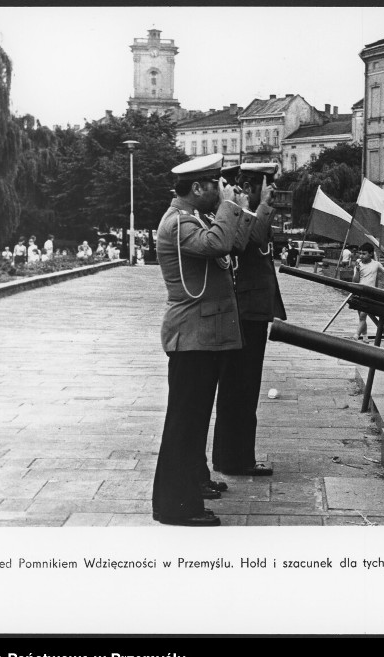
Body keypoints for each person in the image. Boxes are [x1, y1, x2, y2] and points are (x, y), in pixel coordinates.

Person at [151, 153, 253, 527]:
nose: (219, 191)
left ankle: (191, 483)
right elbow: (217, 245)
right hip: (191, 334)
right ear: (197, 188)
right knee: (184, 423)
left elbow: (233, 245)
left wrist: (238, 209)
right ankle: (175, 506)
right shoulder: (178, 223)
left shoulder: (194, 219)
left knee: (193, 421)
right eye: (215, 185)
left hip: (203, 335)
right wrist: (229, 207)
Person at [211, 163, 285, 477]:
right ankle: (235, 459)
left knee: (244, 387)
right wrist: (263, 204)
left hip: (251, 310)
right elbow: (253, 239)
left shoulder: (249, 213)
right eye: (267, 187)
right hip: (245, 311)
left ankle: (236, 456)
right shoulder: (241, 214)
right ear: (252, 187)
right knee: (240, 387)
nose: (272, 194)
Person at [352, 242, 384, 341]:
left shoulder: (376, 264)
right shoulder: (358, 264)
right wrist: (358, 270)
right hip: (359, 292)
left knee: (363, 315)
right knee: (361, 317)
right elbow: (355, 281)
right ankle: (365, 337)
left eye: (364, 254)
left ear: (371, 254)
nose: (361, 256)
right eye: (360, 253)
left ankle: (356, 336)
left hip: (369, 293)